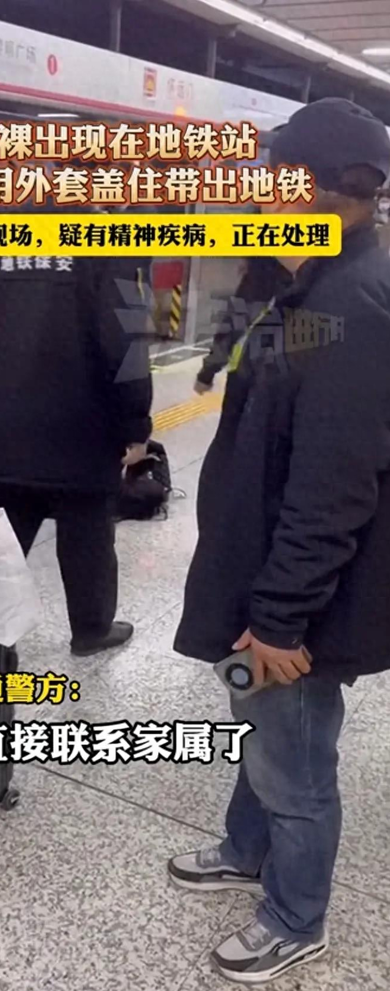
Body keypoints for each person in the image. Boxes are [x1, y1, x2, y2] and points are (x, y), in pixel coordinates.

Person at [168, 97, 390, 983]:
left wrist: (281, 619)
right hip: (256, 571)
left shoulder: (354, 306)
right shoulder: (307, 281)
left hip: (294, 603)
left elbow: (333, 489)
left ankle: (297, 915)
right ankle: (244, 845)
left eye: (272, 176)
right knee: (253, 719)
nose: (258, 190)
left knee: (294, 755)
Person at [0, 232, 153, 657]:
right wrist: (135, 422)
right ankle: (92, 629)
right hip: (84, 424)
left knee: (1, 534)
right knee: (88, 531)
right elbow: (125, 341)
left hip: (0, 421)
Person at [194, 257, 292, 394]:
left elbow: (235, 325)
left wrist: (207, 373)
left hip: (256, 376)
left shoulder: (262, 274)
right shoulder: (315, 279)